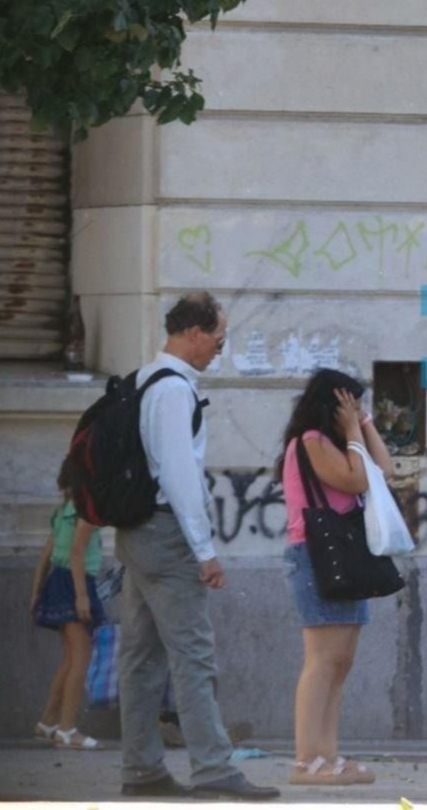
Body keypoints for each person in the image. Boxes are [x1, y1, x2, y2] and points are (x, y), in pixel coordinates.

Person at [115, 292, 278, 800]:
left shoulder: (142, 380)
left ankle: (142, 770)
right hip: (167, 535)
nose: (218, 350)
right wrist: (204, 550)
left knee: (141, 658)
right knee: (193, 656)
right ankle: (213, 768)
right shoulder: (173, 390)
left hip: (140, 533)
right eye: (218, 339)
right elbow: (180, 475)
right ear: (193, 333)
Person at [279, 369, 394, 786]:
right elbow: (356, 479)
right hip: (315, 555)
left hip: (345, 556)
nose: (358, 411)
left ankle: (327, 754)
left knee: (341, 661)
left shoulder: (345, 440)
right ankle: (306, 758)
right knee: (322, 660)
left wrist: (362, 425)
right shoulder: (310, 440)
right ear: (332, 404)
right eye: (352, 403)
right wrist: (351, 429)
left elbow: (383, 469)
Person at [30, 457, 107, 749]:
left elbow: (46, 555)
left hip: (57, 582)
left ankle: (48, 722)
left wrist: (36, 592)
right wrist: (82, 596)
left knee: (70, 658)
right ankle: (67, 729)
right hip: (76, 582)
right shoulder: (85, 512)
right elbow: (77, 554)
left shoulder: (62, 511)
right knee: (81, 659)